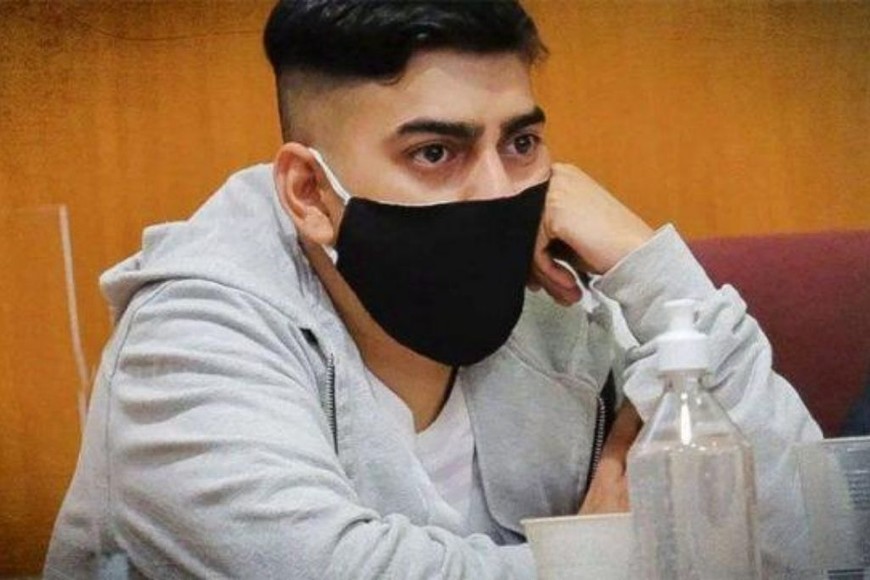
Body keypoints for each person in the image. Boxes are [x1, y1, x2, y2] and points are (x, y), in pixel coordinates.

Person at [45, 1, 821, 578]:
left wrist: (650, 266)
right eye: (434, 153)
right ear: (310, 193)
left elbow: (804, 538)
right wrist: (619, 555)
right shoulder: (190, 337)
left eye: (521, 142)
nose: (499, 192)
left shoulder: (559, 297)